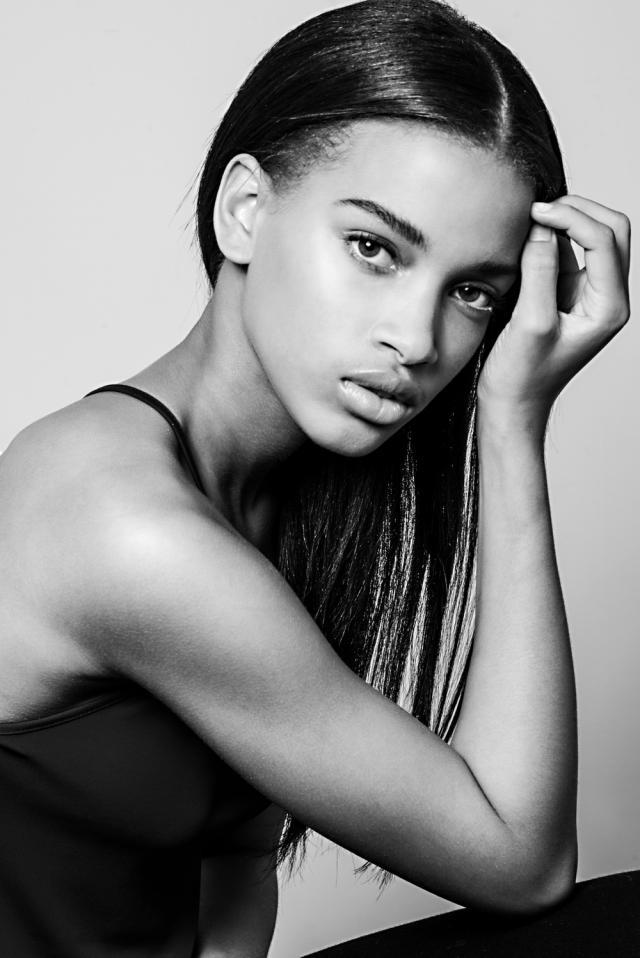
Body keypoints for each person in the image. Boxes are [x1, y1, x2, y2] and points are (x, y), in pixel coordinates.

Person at [0, 0, 631, 956]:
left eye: (473, 293)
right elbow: (522, 861)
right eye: (375, 248)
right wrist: (511, 424)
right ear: (245, 211)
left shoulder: (273, 489)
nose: (415, 340)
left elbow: (234, 865)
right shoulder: (123, 525)